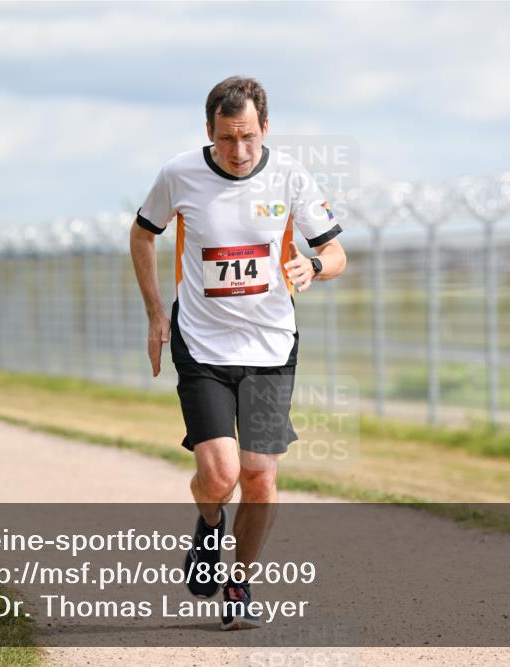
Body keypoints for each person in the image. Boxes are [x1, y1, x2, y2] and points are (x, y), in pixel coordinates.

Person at [130, 76, 346, 630]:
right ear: (209, 131)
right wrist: (157, 312)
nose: (239, 150)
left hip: (272, 346)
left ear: (265, 128)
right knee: (220, 474)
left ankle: (238, 583)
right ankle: (209, 524)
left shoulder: (291, 175)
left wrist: (314, 266)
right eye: (227, 138)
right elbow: (141, 234)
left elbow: (335, 252)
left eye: (248, 136)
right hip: (202, 342)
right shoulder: (179, 174)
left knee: (259, 478)